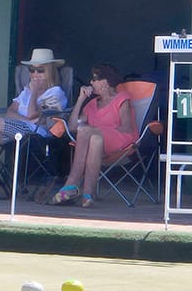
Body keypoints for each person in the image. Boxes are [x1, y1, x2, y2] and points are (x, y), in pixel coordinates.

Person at [0, 48, 70, 201]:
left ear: (49, 72)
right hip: (21, 127)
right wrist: (26, 119)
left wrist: (34, 94)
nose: (35, 74)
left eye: (40, 70)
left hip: (37, 133)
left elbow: (31, 113)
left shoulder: (55, 92)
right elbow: (10, 112)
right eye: (32, 70)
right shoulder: (26, 91)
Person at [50, 63, 137, 208]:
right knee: (94, 139)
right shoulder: (91, 105)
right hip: (97, 144)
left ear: (105, 82)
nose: (90, 82)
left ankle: (71, 184)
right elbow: (72, 127)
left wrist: (97, 129)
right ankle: (88, 195)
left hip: (122, 139)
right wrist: (80, 100)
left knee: (86, 131)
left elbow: (126, 127)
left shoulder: (122, 98)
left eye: (94, 79)